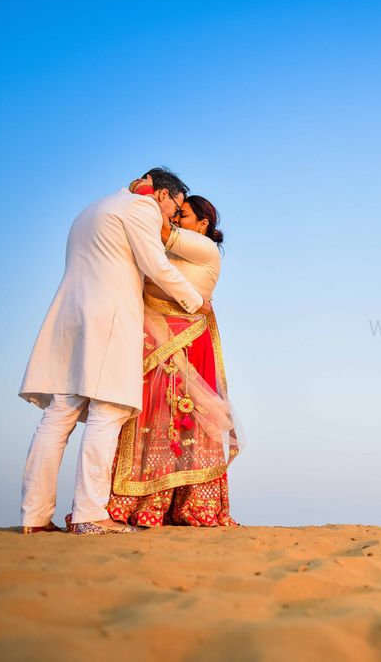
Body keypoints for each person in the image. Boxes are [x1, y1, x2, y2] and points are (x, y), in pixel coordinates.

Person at [19, 168, 204, 536]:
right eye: (174, 208)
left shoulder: (91, 209)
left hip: (70, 318)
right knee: (110, 412)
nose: (170, 217)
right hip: (109, 319)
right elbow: (155, 263)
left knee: (58, 417)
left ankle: (34, 517)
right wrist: (194, 300)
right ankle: (90, 514)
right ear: (163, 195)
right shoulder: (141, 208)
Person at [106, 191, 241, 527]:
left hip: (184, 342)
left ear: (203, 223)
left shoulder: (205, 248)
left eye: (183, 214)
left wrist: (145, 196)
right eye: (176, 213)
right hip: (154, 339)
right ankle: (142, 502)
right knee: (148, 417)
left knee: (182, 419)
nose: (176, 219)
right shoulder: (166, 250)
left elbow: (161, 232)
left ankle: (192, 504)